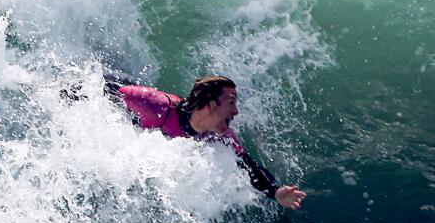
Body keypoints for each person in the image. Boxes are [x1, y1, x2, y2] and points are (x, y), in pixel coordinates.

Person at [104, 74, 307, 210]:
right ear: (210, 106)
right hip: (118, 84)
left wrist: (275, 191)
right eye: (231, 103)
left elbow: (249, 166)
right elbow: (103, 89)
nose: (236, 111)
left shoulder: (220, 135)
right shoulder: (156, 105)